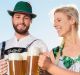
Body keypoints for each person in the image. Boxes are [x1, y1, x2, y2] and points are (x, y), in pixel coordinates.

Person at [0, 1, 48, 75]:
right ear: (12, 19)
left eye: (26, 18)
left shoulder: (39, 44)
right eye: (18, 17)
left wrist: (44, 70)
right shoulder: (2, 46)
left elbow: (47, 71)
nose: (21, 21)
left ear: (31, 21)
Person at [38, 6, 80, 75]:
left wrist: (50, 67)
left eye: (59, 20)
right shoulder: (54, 53)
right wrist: (43, 69)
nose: (54, 25)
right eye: (54, 22)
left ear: (72, 20)